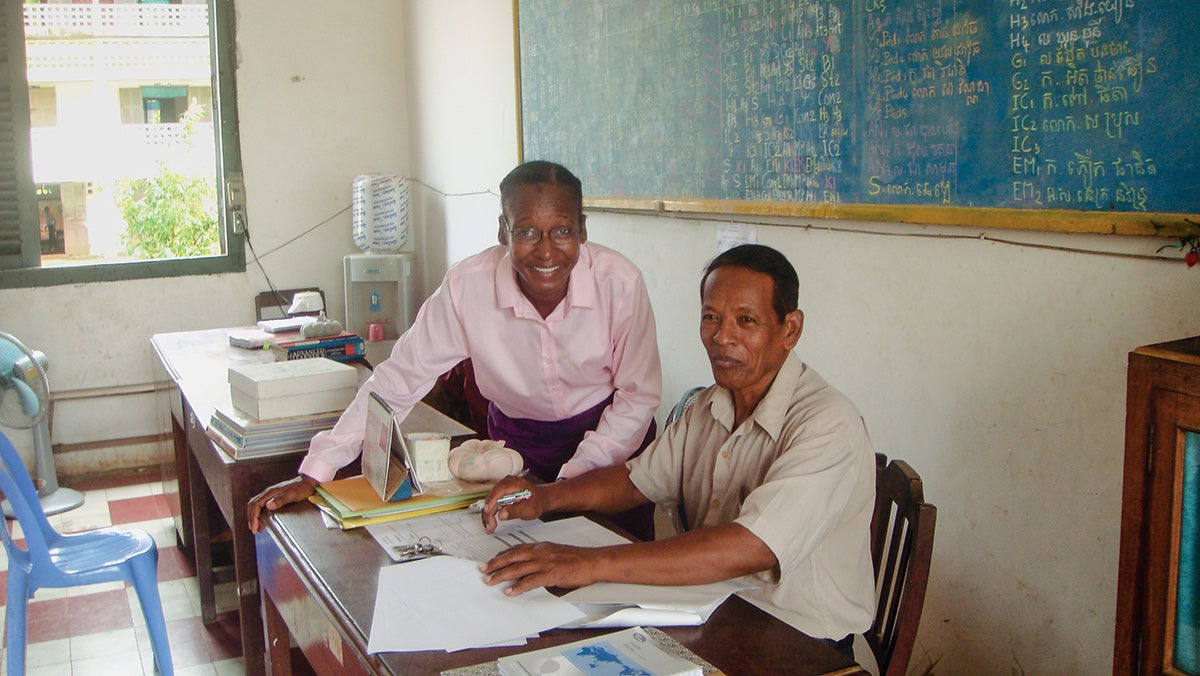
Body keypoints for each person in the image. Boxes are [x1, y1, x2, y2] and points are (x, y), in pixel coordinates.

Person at [478, 244, 875, 660]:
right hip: (714, 613)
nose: (723, 337)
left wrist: (587, 563)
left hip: (800, 645)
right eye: (711, 318)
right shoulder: (709, 405)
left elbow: (750, 546)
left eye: (746, 321)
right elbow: (636, 480)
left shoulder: (828, 423)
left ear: (790, 329)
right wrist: (544, 496)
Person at [248, 161, 662, 537]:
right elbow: (398, 379)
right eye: (526, 232)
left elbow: (638, 398)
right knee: (518, 577)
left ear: (583, 230)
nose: (546, 250)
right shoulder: (468, 287)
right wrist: (318, 470)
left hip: (612, 454)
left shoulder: (619, 284)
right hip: (517, 454)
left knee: (615, 573)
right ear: (503, 231)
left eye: (563, 231)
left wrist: (566, 486)